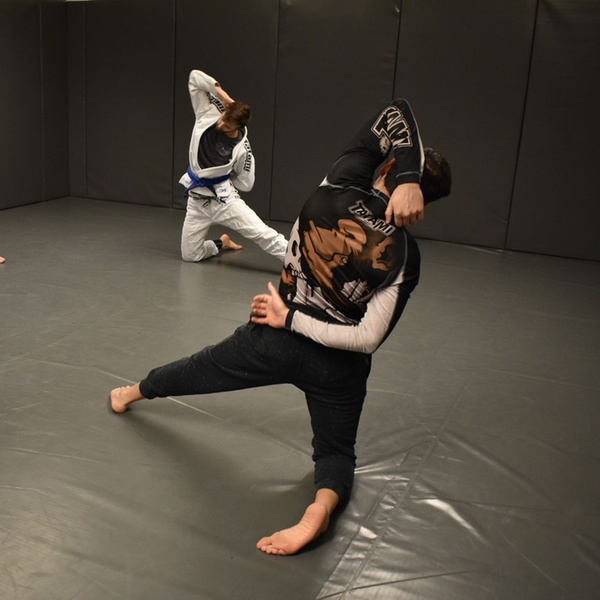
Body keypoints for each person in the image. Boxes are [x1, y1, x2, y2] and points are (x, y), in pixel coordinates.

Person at [109, 97, 451, 555]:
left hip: (276, 334)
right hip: (337, 368)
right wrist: (413, 181)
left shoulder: (341, 182)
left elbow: (397, 111)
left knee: (199, 368)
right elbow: (367, 338)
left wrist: (289, 317)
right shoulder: (406, 255)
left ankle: (132, 392)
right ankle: (320, 509)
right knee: (336, 454)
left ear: (388, 167)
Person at [179, 69, 288, 262]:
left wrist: (223, 180)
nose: (221, 125)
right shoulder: (208, 112)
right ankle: (223, 243)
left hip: (224, 202)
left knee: (263, 234)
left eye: (227, 126)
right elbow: (195, 77)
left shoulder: (242, 149)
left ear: (238, 127)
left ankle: (304, 263)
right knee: (190, 255)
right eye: (222, 119)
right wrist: (224, 97)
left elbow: (246, 184)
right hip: (196, 201)